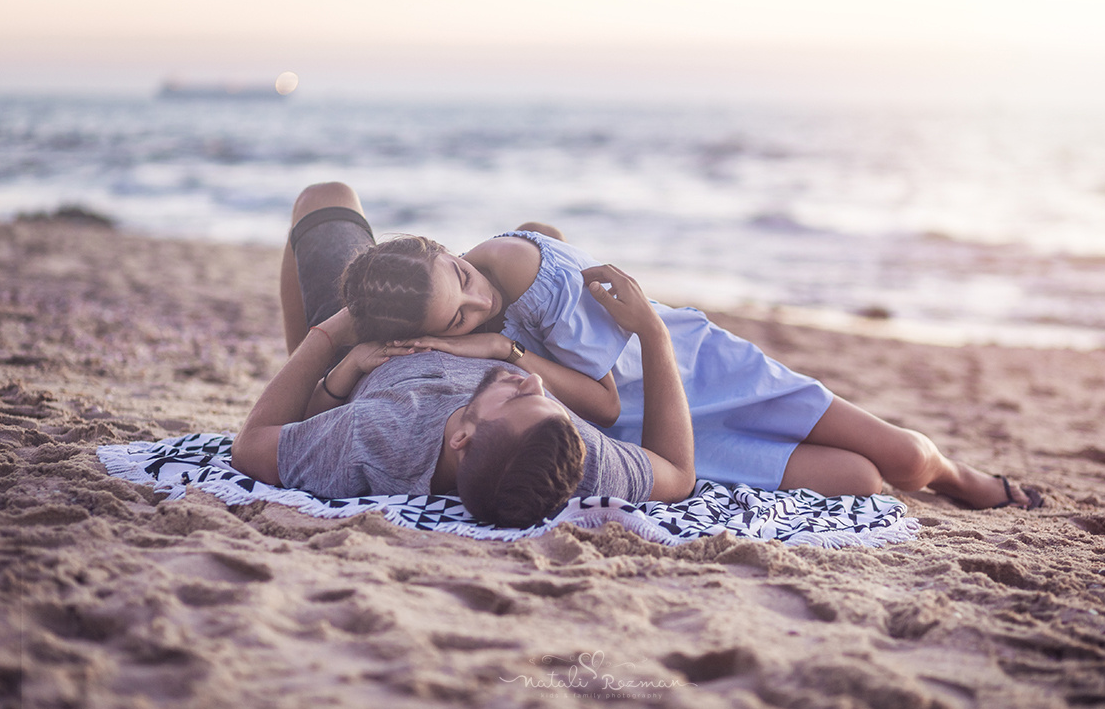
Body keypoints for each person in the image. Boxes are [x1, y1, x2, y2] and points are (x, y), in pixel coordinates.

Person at [334, 182, 1042, 511]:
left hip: (694, 371)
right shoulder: (456, 314)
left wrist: (498, 349)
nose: (477, 305)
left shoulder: (510, 270)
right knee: (860, 479)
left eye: (462, 280)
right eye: (457, 318)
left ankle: (962, 479)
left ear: (442, 247)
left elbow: (603, 400)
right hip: (650, 433)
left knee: (906, 460)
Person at [229, 183, 696, 528]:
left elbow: (250, 446)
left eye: (516, 398)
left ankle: (305, 362)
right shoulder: (571, 457)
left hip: (361, 352)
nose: (534, 384)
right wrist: (654, 335)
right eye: (549, 403)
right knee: (539, 237)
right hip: (470, 329)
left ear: (462, 439)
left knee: (324, 197)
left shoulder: (377, 436)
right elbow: (678, 473)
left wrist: (332, 336)